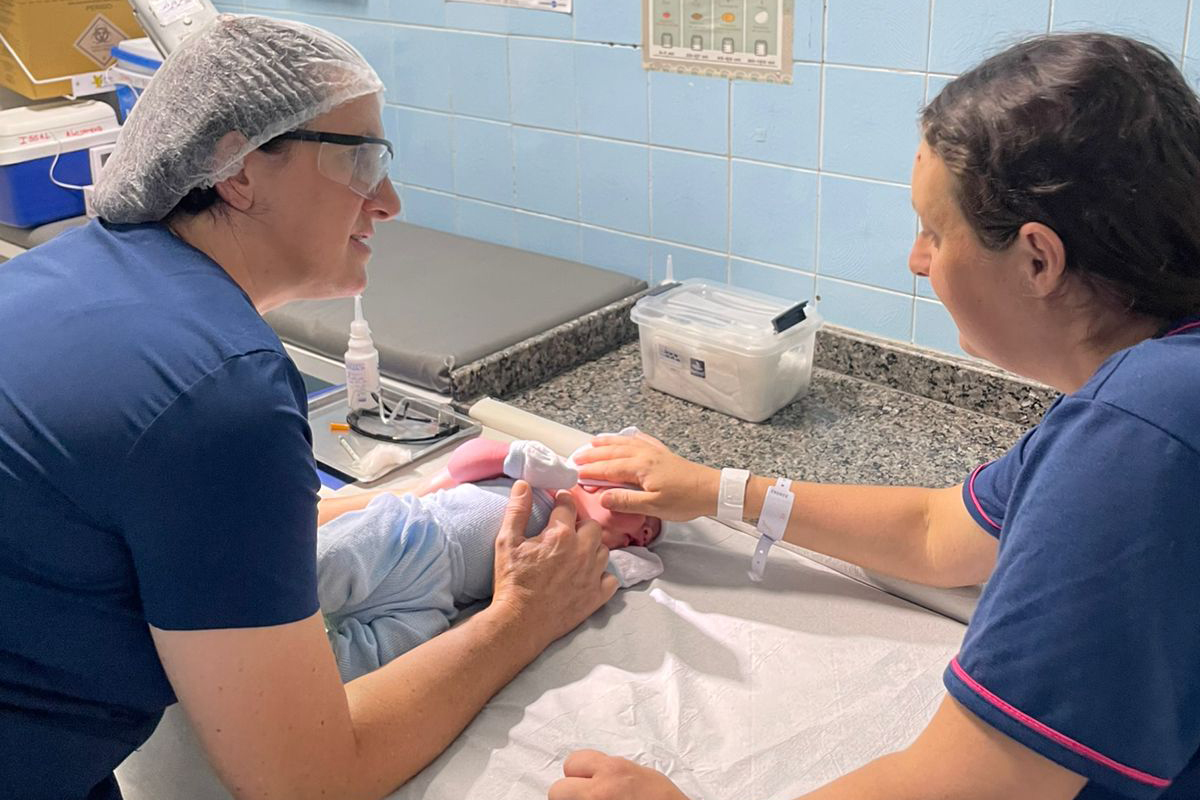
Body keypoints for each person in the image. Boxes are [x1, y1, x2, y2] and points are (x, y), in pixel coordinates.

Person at [550, 32, 1200, 800]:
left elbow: (972, 786)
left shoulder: (1139, 432)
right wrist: (714, 490)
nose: (917, 262)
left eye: (934, 231)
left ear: (1037, 259)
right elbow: (937, 534)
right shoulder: (1157, 386)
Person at [0, 16, 615, 800]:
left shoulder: (65, 272)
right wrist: (522, 617)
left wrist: (382, 502)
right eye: (360, 159)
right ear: (238, 170)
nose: (388, 201)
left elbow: (136, 518)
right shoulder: (222, 392)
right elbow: (307, 780)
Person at [315, 436, 663, 681]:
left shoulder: (576, 551)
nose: (647, 535)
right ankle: (284, 608)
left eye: (649, 537)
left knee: (368, 663)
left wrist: (621, 566)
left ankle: (299, 669)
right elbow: (464, 461)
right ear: (601, 479)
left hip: (437, 601)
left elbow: (592, 584)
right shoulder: (544, 480)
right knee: (331, 560)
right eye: (648, 516)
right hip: (409, 535)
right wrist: (514, 456)